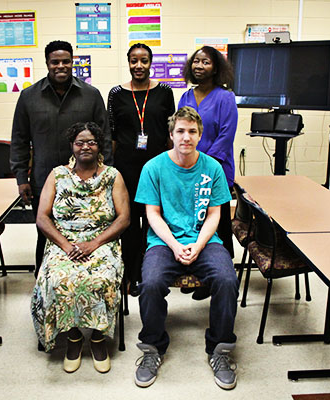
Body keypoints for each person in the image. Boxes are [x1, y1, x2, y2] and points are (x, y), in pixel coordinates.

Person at [133, 107, 239, 390]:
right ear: (171, 135)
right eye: (180, 131)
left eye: (192, 131)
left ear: (200, 135)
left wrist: (197, 244)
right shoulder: (153, 168)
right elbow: (152, 214)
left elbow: (216, 214)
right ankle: (152, 348)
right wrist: (176, 245)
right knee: (151, 283)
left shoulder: (213, 168)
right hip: (165, 241)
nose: (186, 137)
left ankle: (220, 349)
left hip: (204, 240)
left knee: (228, 279)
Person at [31, 122, 129, 374]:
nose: (86, 147)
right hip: (63, 241)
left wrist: (94, 244)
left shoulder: (112, 176)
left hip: (102, 240)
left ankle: (97, 338)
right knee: (57, 278)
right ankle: (73, 336)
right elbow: (42, 217)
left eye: (91, 142)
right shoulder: (57, 175)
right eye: (79, 142)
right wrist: (65, 245)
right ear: (72, 147)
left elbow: (124, 218)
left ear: (99, 146)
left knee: (102, 277)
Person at [10, 40, 113, 274]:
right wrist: (20, 178)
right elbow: (19, 139)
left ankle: (86, 277)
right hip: (43, 179)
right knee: (45, 232)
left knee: (88, 229)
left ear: (73, 62)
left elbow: (105, 136)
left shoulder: (91, 95)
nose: (61, 66)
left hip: (88, 182)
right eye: (55, 62)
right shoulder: (28, 97)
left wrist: (107, 173)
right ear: (47, 63)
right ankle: (45, 278)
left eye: (66, 61)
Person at [107, 43, 175, 296]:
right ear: (128, 63)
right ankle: (129, 275)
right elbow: (112, 133)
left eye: (144, 60)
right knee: (128, 223)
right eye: (134, 61)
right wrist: (109, 170)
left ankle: (151, 276)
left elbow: (170, 133)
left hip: (157, 169)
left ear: (150, 62)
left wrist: (172, 166)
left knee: (153, 222)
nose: (139, 66)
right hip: (125, 169)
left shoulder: (165, 92)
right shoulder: (116, 94)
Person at [178, 46, 238, 300]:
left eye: (205, 62)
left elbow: (226, 135)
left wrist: (204, 164)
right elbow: (180, 130)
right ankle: (194, 273)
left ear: (216, 68)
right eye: (196, 61)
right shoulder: (185, 97)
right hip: (187, 170)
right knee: (194, 223)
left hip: (215, 170)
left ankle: (217, 277)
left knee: (218, 224)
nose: (199, 66)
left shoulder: (225, 97)